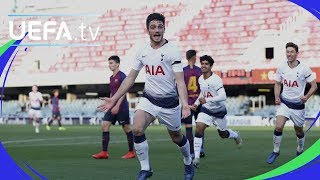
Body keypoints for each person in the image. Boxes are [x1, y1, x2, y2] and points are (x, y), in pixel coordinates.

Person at [98, 13, 194, 180]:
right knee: (136, 128)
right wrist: (113, 99)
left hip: (169, 103)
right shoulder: (142, 51)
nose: (157, 30)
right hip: (149, 98)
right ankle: (145, 168)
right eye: (153, 27)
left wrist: (185, 104)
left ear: (164, 28)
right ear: (148, 29)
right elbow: (130, 78)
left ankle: (188, 160)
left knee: (176, 137)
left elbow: (180, 81)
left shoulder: (172, 51)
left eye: (160, 27)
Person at [267, 42, 317, 164]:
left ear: (296, 53)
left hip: (298, 106)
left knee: (299, 131)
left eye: (292, 52)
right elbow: (277, 83)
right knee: (278, 126)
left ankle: (300, 149)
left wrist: (306, 96)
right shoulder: (281, 67)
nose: (289, 54)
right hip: (284, 103)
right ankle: (275, 151)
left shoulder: (304, 68)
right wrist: (277, 97)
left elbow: (314, 86)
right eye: (287, 52)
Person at [191, 55, 242, 168]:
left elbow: (223, 96)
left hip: (219, 112)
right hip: (206, 110)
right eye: (202, 63)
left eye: (206, 64)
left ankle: (235, 134)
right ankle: (197, 158)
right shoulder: (200, 79)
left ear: (211, 66)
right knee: (199, 128)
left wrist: (206, 100)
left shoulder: (216, 80)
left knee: (223, 134)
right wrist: (196, 103)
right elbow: (202, 93)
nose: (203, 66)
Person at [92, 55, 135, 159]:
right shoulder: (111, 78)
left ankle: (131, 152)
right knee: (105, 125)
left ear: (117, 64)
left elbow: (123, 92)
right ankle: (104, 152)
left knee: (126, 128)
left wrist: (117, 106)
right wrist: (109, 104)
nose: (109, 65)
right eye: (109, 63)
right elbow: (113, 92)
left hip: (122, 107)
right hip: (112, 106)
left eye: (111, 63)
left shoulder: (122, 76)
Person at [182, 49, 205, 158]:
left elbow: (180, 89)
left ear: (187, 58)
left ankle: (191, 152)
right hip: (198, 103)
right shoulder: (200, 71)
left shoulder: (182, 71)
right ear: (194, 58)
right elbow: (203, 88)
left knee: (188, 127)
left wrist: (185, 104)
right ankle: (200, 148)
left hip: (187, 104)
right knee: (200, 126)